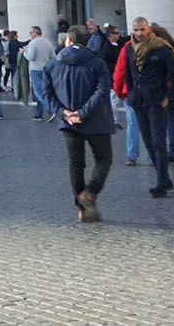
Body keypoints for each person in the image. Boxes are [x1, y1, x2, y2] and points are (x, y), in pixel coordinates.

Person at [37, 31, 114, 222]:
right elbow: (102, 91)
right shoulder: (97, 63)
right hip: (97, 120)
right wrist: (83, 113)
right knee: (104, 159)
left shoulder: (52, 64)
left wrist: (63, 112)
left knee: (76, 163)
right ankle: (90, 192)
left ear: (68, 40)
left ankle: (81, 209)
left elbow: (46, 93)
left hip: (68, 122)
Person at [125, 19, 174, 198]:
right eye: (136, 30)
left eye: (142, 29)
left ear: (148, 29)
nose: (139, 33)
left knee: (159, 142)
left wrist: (168, 97)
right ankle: (165, 179)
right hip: (138, 100)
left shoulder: (161, 48)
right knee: (148, 141)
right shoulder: (129, 49)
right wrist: (130, 94)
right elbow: (129, 73)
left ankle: (161, 183)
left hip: (157, 100)